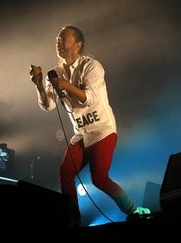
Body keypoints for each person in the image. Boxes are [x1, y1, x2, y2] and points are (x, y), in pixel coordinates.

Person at [29, 25, 150, 226]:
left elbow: (90, 99)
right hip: (81, 134)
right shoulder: (55, 73)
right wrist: (39, 84)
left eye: (63, 39)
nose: (58, 43)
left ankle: (134, 210)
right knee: (65, 173)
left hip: (102, 130)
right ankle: (73, 220)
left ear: (78, 45)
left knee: (99, 179)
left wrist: (66, 85)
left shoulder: (92, 66)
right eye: (57, 40)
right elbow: (48, 106)